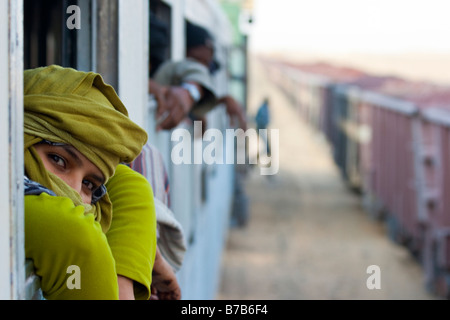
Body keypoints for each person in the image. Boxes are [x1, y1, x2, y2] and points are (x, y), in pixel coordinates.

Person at [24, 64, 156, 300]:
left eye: (89, 184)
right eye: (58, 159)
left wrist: (121, 283)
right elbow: (72, 234)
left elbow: (125, 182)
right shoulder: (68, 231)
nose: (72, 194)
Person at [149, 18, 247, 131]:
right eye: (196, 60)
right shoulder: (168, 70)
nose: (203, 69)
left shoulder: (181, 96)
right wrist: (191, 91)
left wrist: (222, 100)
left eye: (208, 65)